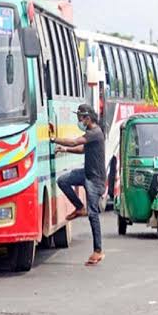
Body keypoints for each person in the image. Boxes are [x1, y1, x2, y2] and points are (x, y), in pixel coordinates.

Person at [52, 104, 106, 266]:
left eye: (80, 119)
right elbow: (82, 149)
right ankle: (79, 207)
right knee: (63, 181)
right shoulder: (92, 134)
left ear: (87, 118)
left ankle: (98, 251)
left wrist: (54, 139)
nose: (79, 121)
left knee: (93, 214)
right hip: (86, 173)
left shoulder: (95, 132)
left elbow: (74, 142)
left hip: (95, 179)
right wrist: (64, 150)